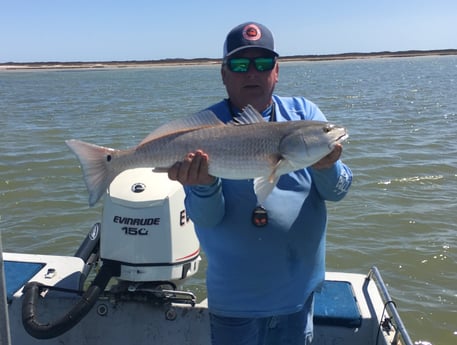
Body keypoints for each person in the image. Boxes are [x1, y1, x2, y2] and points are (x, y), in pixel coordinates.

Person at [168, 22, 352, 345]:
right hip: (234, 302)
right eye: (240, 65)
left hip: (298, 296)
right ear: (224, 74)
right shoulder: (203, 132)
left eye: (263, 63)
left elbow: (338, 192)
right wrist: (204, 185)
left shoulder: (305, 115)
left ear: (276, 71)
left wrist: (327, 168)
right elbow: (208, 219)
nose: (252, 72)